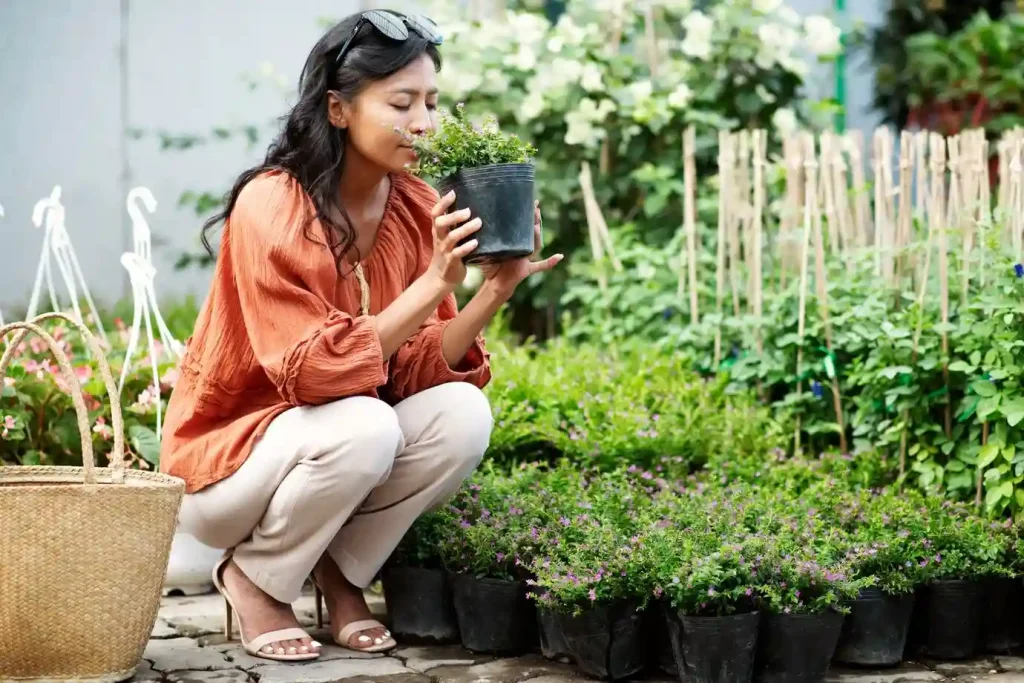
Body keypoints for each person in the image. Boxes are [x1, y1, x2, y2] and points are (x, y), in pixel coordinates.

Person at [158, 9, 562, 663]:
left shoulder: (411, 205)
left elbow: (418, 368)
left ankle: (342, 572)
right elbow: (311, 372)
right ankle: (254, 577)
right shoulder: (273, 203)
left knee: (462, 412)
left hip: (332, 445)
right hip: (229, 467)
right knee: (365, 423)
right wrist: (433, 281)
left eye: (431, 101)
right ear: (338, 109)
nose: (424, 122)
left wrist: (495, 288)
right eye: (401, 102)